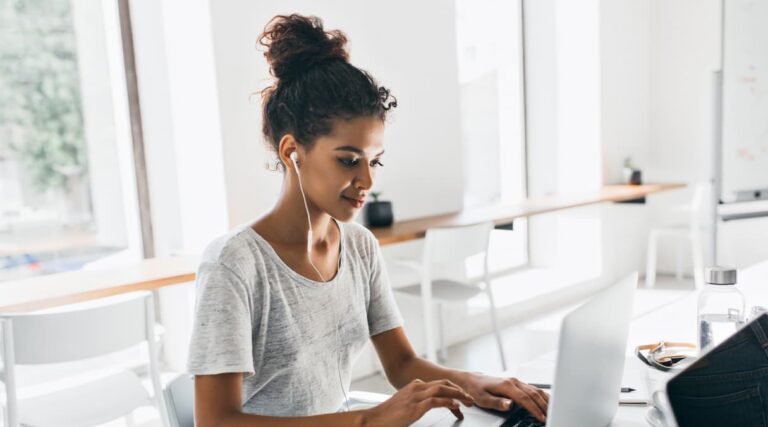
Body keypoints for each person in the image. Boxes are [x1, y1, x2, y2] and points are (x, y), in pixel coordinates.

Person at [187, 13, 549, 427]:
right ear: (292, 152)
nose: (367, 180)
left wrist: (477, 382)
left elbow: (400, 362)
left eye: (374, 160)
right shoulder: (234, 264)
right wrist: (366, 421)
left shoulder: (358, 246)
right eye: (348, 160)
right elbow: (215, 422)